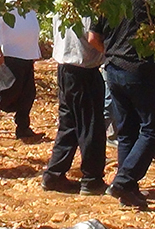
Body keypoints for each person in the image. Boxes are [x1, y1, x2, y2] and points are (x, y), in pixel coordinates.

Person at [93, 0, 155, 209]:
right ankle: (124, 181)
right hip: (140, 71)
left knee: (127, 131)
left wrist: (114, 53)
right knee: (153, 127)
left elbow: (93, 37)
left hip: (113, 70)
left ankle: (128, 189)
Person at [40, 12, 106, 192]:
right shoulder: (89, 5)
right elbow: (93, 38)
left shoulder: (64, 1)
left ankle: (54, 174)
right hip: (83, 71)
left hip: (64, 69)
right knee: (91, 126)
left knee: (69, 125)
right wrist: (110, 53)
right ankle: (92, 179)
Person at [0, 7, 42, 141]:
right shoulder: (2, 1)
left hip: (26, 53)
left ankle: (23, 127)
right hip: (10, 52)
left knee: (28, 92)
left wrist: (34, 49)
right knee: (8, 89)